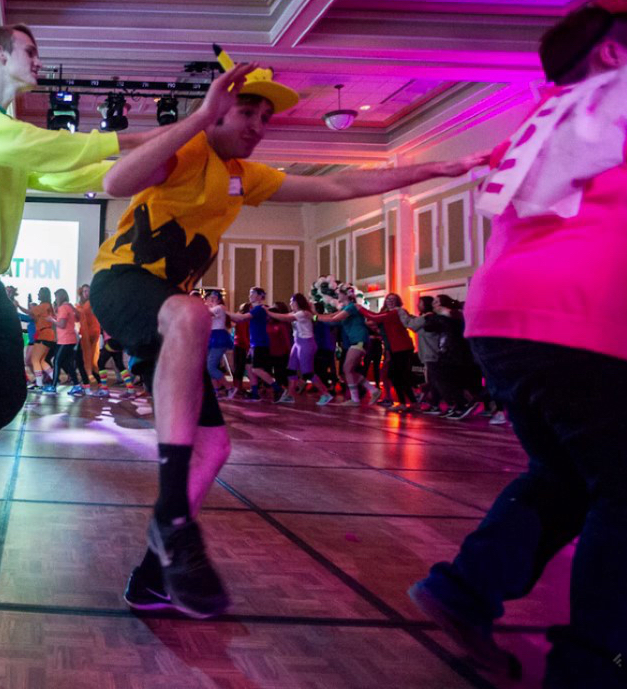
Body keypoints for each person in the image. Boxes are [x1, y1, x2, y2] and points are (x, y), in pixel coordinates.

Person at [90, 53, 489, 619]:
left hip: (170, 315)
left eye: (263, 116)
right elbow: (115, 180)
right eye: (245, 110)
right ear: (218, 113)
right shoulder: (189, 149)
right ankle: (173, 517)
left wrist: (432, 170)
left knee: (218, 444)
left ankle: (154, 575)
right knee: (194, 315)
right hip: (123, 284)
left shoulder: (245, 177)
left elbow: (345, 182)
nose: (256, 124)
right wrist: (199, 117)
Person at [410, 0, 627, 687]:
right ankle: (596, 668)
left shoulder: (536, 120)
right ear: (611, 51)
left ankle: (466, 586)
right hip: (587, 319)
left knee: (568, 476)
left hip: (502, 318)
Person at [0, 23, 169, 592]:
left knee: (10, 393)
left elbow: (56, 170)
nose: (39, 59)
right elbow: (34, 149)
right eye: (31, 50)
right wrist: (132, 141)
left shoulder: (2, 129)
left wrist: (142, 168)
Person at [356, 293, 420, 412]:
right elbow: (373, 321)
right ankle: (408, 402)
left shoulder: (395, 312)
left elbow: (373, 317)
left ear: (397, 301)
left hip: (402, 347)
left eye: (393, 299)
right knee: (395, 375)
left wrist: (359, 308)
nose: (390, 301)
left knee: (397, 375)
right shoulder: (388, 313)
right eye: (388, 299)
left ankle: (408, 402)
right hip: (394, 348)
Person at [315, 286, 378, 406]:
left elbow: (335, 318)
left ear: (345, 295)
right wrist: (316, 317)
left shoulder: (352, 307)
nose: (337, 295)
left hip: (360, 340)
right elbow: (332, 319)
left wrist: (314, 317)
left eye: (339, 293)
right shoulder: (346, 308)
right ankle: (372, 391)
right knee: (348, 370)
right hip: (356, 341)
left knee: (347, 369)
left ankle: (357, 398)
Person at [268, 293, 333, 405]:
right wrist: (268, 310)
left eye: (292, 301)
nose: (290, 303)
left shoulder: (303, 313)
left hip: (306, 343)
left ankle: (325, 394)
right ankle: (290, 395)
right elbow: (285, 315)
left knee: (307, 372)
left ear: (298, 302)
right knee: (291, 370)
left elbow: (285, 317)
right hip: (298, 343)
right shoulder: (297, 313)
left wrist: (268, 312)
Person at [225, 287, 282, 402]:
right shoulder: (256, 309)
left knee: (256, 369)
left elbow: (242, 318)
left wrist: (224, 311)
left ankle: (278, 388)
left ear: (260, 296)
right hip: (255, 343)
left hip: (260, 343)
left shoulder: (259, 309)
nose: (250, 296)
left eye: (253, 294)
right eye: (250, 293)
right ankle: (255, 393)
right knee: (248, 366)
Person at [46, 288, 85, 395]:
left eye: (56, 297)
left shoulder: (63, 307)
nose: (55, 299)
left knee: (57, 361)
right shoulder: (68, 307)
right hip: (70, 339)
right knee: (67, 363)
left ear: (60, 297)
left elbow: (62, 325)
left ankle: (53, 386)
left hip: (65, 340)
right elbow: (76, 319)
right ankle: (77, 385)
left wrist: (51, 320)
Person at [27, 287, 56, 389]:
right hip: (48, 335)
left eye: (39, 293)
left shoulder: (43, 306)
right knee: (42, 360)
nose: (38, 295)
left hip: (43, 335)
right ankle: (54, 379)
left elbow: (30, 312)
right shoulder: (49, 306)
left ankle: (39, 384)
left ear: (43, 295)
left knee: (34, 359)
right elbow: (34, 316)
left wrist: (18, 305)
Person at [77, 284, 102, 393]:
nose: (86, 293)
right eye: (84, 291)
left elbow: (83, 312)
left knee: (89, 360)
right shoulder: (82, 304)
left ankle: (88, 383)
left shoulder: (91, 302)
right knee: (86, 360)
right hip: (85, 334)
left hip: (92, 334)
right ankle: (95, 382)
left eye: (88, 291)